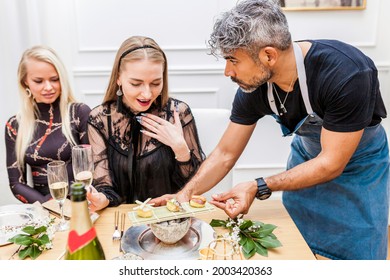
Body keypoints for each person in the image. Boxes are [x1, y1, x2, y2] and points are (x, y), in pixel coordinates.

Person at [153, 0, 389, 260]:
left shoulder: (346, 73)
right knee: (299, 249)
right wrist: (184, 195)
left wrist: (259, 185)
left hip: (359, 172)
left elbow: (332, 163)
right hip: (306, 163)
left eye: (233, 60)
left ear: (268, 55)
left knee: (357, 257)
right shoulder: (254, 88)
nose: (227, 71)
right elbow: (225, 153)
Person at [87, 36, 205, 211]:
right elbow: (105, 185)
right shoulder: (100, 119)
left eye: (156, 83)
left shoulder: (178, 113)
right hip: (121, 220)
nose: (147, 94)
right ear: (118, 78)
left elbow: (194, 187)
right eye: (136, 84)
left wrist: (180, 149)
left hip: (169, 220)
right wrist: (101, 199)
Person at [5, 46, 91, 204]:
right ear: (25, 82)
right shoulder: (15, 125)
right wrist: (49, 205)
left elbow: (92, 167)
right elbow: (16, 184)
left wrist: (68, 201)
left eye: (54, 79)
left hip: (81, 201)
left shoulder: (79, 113)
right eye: (38, 81)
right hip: (43, 208)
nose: (49, 87)